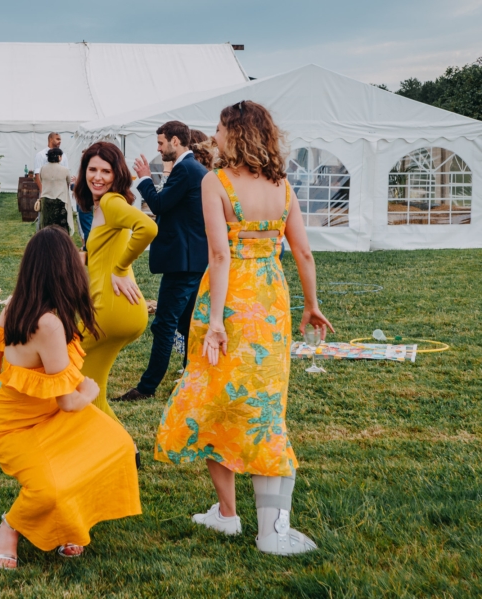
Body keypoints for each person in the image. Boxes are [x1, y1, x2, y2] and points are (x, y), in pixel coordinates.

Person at [154, 100, 334, 555]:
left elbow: (219, 256)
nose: (212, 136)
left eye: (218, 128)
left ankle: (234, 515)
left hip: (229, 301)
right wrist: (311, 306)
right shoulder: (283, 187)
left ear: (236, 133)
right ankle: (240, 519)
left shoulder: (216, 182)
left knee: (218, 399)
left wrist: (214, 321)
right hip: (270, 303)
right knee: (263, 404)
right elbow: (304, 254)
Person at [0, 226, 141, 570]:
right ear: (64, 269)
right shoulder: (48, 324)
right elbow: (68, 401)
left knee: (117, 446)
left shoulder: (21, 303)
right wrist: (90, 393)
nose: (83, 258)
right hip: (17, 426)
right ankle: (8, 529)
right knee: (47, 489)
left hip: (49, 415)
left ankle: (70, 524)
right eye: (76, 254)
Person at [116, 121, 209, 403]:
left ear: (176, 142)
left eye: (161, 143)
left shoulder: (187, 169)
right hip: (192, 260)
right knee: (187, 324)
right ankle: (194, 375)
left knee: (165, 324)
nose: (158, 148)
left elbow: (158, 205)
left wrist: (144, 178)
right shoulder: (189, 169)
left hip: (184, 263)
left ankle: (147, 387)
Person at [74, 141, 157, 423]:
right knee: (90, 389)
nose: (98, 177)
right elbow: (105, 252)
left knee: (65, 370)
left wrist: (121, 268)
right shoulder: (102, 206)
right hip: (117, 309)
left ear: (117, 174)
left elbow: (148, 227)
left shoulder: (111, 202)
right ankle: (124, 451)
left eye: (106, 171)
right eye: (92, 169)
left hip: (111, 310)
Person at [39, 148, 74, 235]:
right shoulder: (65, 170)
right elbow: (69, 182)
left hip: (46, 201)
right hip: (60, 201)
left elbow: (41, 179)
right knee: (60, 227)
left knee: (47, 226)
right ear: (59, 157)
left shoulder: (43, 168)